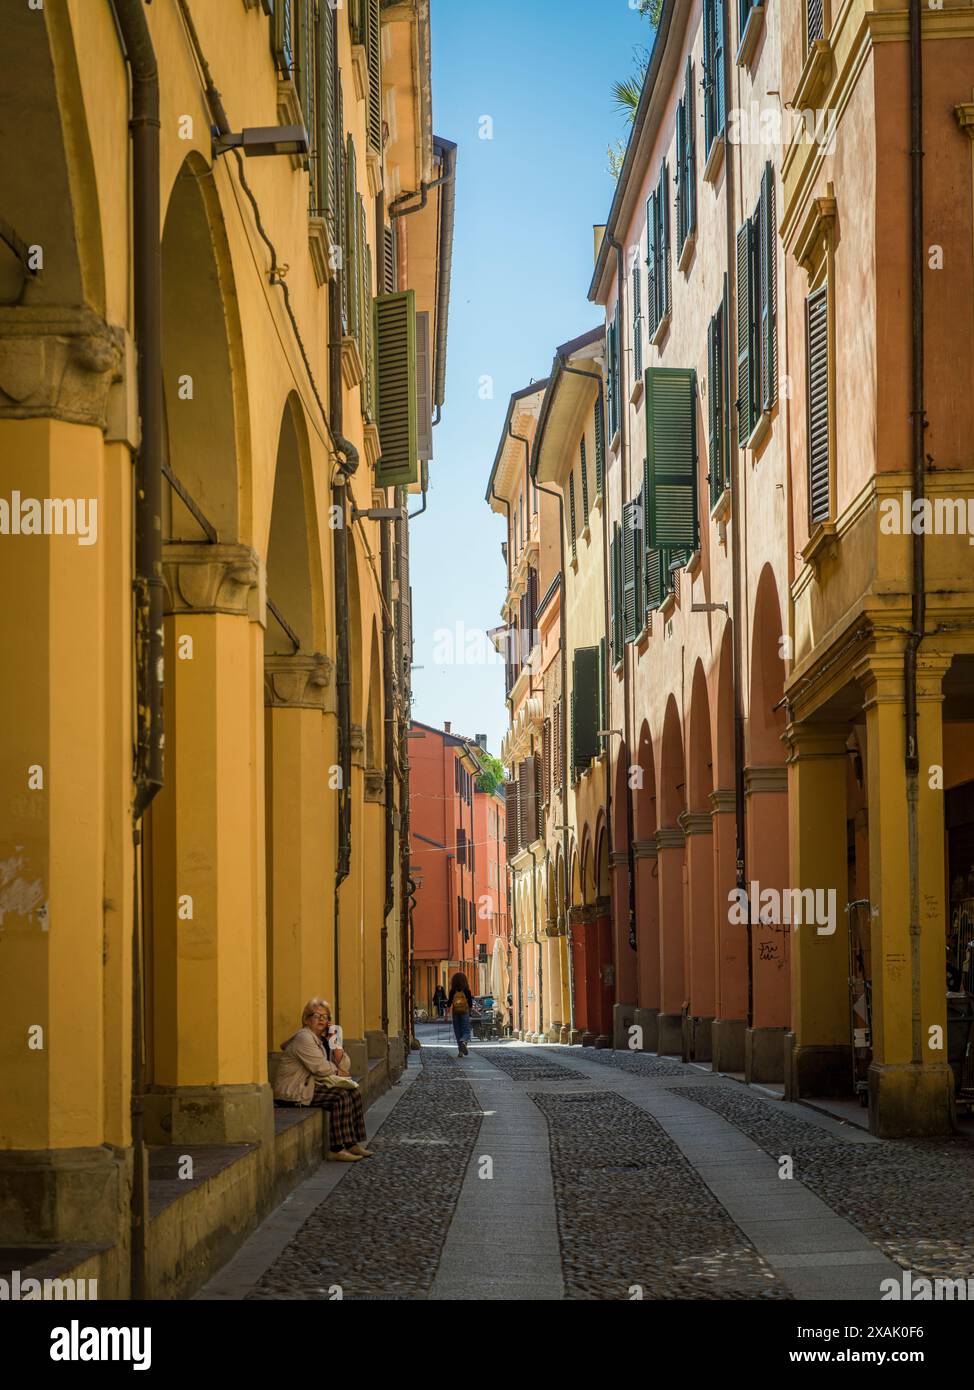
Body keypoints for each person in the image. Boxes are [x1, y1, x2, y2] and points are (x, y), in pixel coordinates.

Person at [274, 998, 373, 1162]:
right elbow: (319, 1067)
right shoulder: (304, 1037)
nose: (322, 1020)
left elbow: (346, 1065)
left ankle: (351, 1143)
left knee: (353, 1092)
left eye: (326, 1017)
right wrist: (338, 1072)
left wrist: (335, 1044)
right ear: (306, 1019)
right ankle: (336, 1149)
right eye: (316, 1016)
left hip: (310, 1085)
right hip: (293, 1091)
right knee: (340, 1097)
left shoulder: (322, 1040)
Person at [448, 971, 473, 1057]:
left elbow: (449, 1003)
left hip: (455, 1012)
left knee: (457, 1030)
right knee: (466, 1030)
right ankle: (463, 1041)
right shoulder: (467, 991)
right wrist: (470, 1011)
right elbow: (470, 1004)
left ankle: (460, 1051)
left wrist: (447, 1011)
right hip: (464, 1012)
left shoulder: (452, 991)